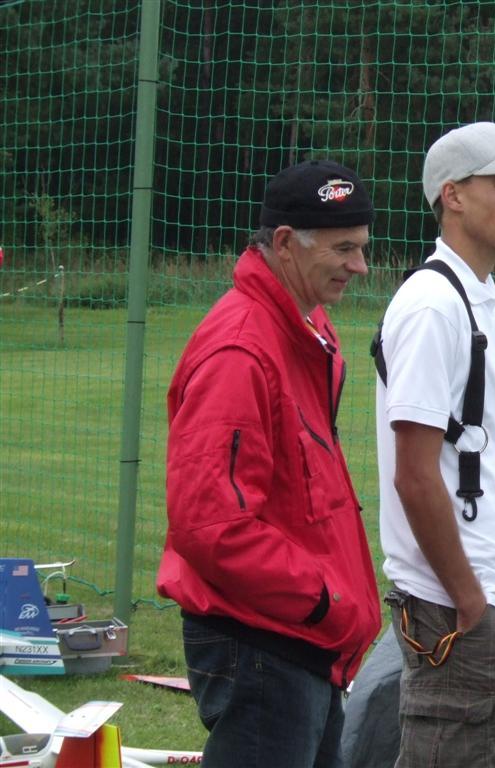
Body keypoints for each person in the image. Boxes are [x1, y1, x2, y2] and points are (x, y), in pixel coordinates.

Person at [157, 159, 382, 768]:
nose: (360, 266)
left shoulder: (302, 332)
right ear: (285, 243)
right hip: (266, 644)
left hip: (299, 642)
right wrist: (326, 600)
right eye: (344, 249)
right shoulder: (241, 351)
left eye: (361, 247)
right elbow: (213, 526)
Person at [374, 122, 495, 767]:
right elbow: (414, 474)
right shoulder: (432, 306)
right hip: (457, 601)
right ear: (452, 195)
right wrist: (467, 594)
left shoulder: (487, 301)